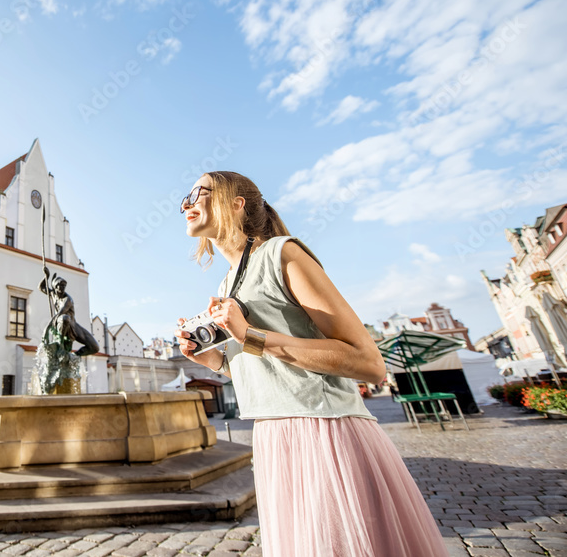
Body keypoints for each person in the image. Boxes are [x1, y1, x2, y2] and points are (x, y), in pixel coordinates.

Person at [175, 171, 446, 557]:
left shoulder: (282, 253)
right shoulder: (227, 284)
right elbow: (269, 371)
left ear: (235, 204)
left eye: (197, 193)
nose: (186, 204)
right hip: (272, 436)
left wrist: (251, 335)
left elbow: (369, 362)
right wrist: (214, 359)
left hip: (323, 429)